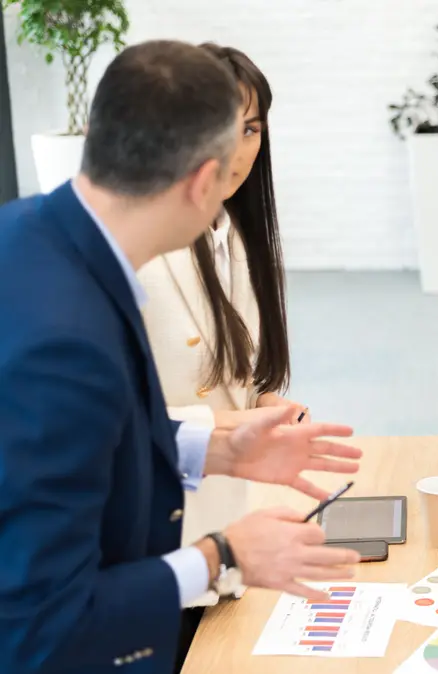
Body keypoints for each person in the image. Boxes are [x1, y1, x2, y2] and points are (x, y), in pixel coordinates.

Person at [0, 40, 363, 674]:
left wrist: (214, 447)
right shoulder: (66, 345)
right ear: (205, 182)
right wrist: (224, 554)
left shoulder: (27, 231)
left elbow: (90, 438)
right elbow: (44, 624)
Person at [138, 43, 301, 607]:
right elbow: (115, 426)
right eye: (219, 127)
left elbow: (237, 375)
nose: (237, 149)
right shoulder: (139, 249)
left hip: (228, 526)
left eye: (252, 129)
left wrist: (264, 405)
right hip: (159, 539)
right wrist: (230, 429)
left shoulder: (236, 233)